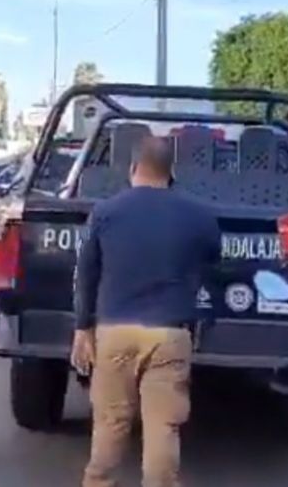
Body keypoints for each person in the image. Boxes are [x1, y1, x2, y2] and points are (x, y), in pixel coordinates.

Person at [72, 135, 221, 487]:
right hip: (170, 332)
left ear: (133, 168)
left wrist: (82, 328)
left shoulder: (106, 212)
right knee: (163, 426)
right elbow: (214, 262)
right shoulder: (198, 215)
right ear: (171, 172)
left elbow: (86, 274)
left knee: (110, 421)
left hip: (115, 331)